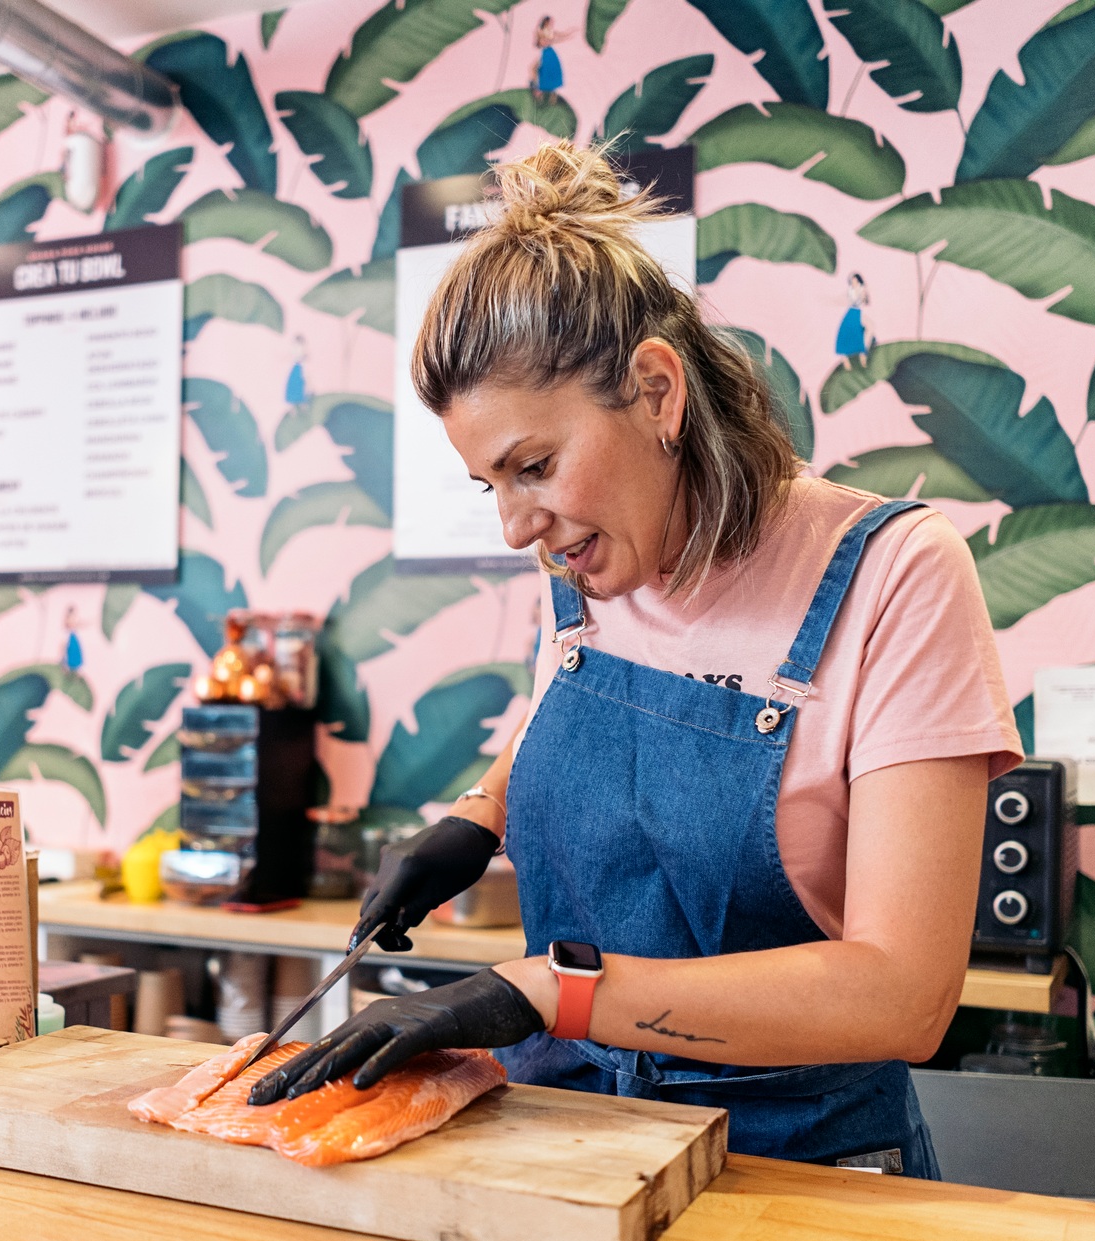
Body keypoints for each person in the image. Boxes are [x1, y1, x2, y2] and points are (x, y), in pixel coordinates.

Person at [249, 142, 1021, 1177]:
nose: (518, 525)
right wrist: (476, 817)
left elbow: (902, 995)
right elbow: (582, 719)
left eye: (534, 465)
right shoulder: (586, 560)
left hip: (796, 1164)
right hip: (565, 1140)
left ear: (655, 392)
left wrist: (547, 989)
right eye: (490, 485)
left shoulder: (897, 577)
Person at [836, 274, 872, 364]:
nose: (854, 282)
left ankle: (862, 353)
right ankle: (847, 359)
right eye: (852, 281)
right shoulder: (850, 290)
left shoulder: (861, 289)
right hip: (852, 311)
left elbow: (865, 301)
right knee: (847, 333)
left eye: (855, 281)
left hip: (858, 311)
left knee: (867, 329)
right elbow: (844, 299)